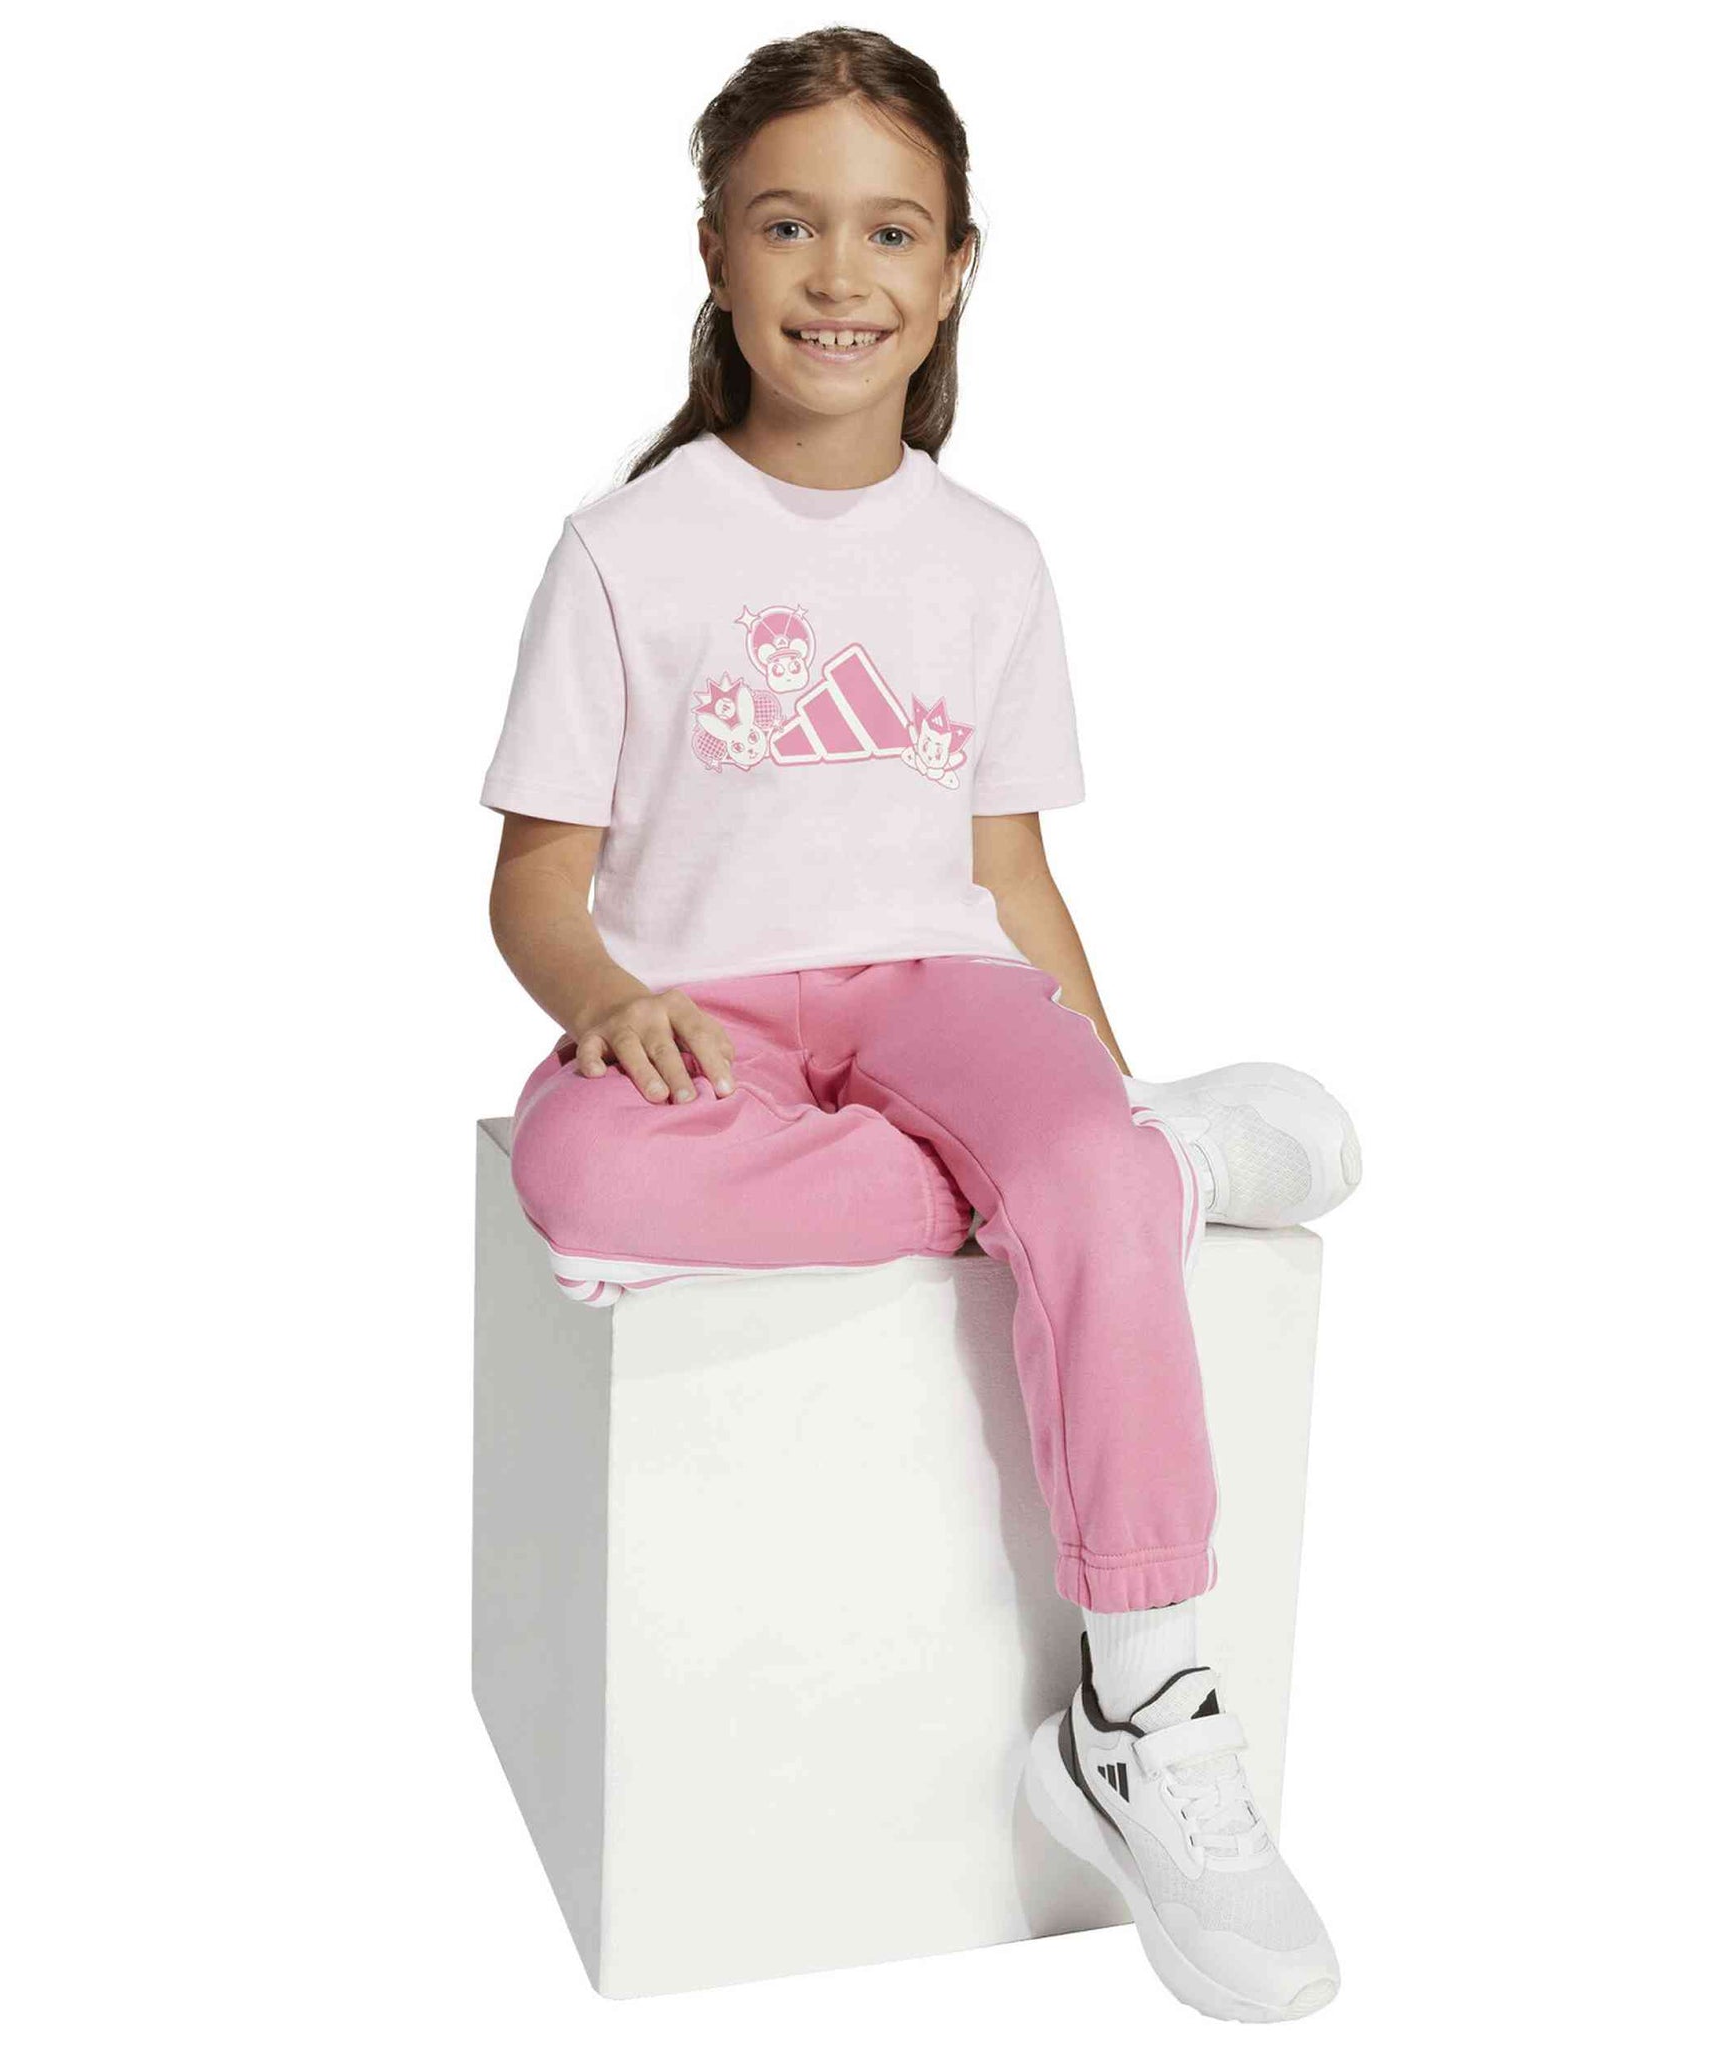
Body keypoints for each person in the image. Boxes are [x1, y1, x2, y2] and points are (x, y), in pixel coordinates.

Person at [480, 25, 1359, 2025]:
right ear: (715, 251)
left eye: (891, 231)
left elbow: (1010, 870)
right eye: (789, 224)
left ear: (957, 268)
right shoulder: (621, 553)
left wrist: (1098, 1089)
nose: (839, 273)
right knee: (583, 1175)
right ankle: (1133, 1175)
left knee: (1073, 1152)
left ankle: (1147, 1709)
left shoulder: (991, 561)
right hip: (709, 1018)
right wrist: (607, 998)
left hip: (943, 993)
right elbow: (537, 882)